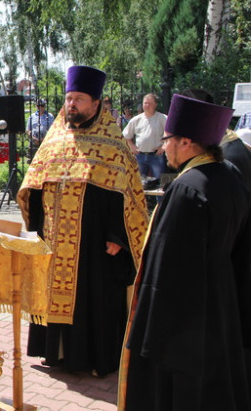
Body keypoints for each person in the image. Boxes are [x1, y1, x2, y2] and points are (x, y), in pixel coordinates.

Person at [119, 94, 251, 410]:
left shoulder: (187, 188)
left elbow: (166, 270)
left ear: (187, 141)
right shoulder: (230, 175)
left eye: (167, 140)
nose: (164, 148)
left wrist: (148, 336)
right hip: (223, 300)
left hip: (186, 323)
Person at [18, 65, 148, 377]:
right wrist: (37, 222)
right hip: (54, 239)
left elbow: (128, 193)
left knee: (95, 299)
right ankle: (58, 354)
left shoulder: (113, 143)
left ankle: (93, 358)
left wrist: (119, 234)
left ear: (96, 103)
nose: (71, 104)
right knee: (56, 297)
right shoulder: (55, 137)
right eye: (68, 98)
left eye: (78, 98)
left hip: (95, 243)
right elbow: (33, 182)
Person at [123, 94, 168, 181]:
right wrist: (131, 146)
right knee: (138, 184)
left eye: (149, 103)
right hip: (140, 156)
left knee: (159, 184)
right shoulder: (136, 119)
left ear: (155, 105)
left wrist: (164, 146)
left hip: (156, 156)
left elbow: (170, 134)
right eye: (145, 103)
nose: (147, 106)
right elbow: (126, 135)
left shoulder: (163, 118)